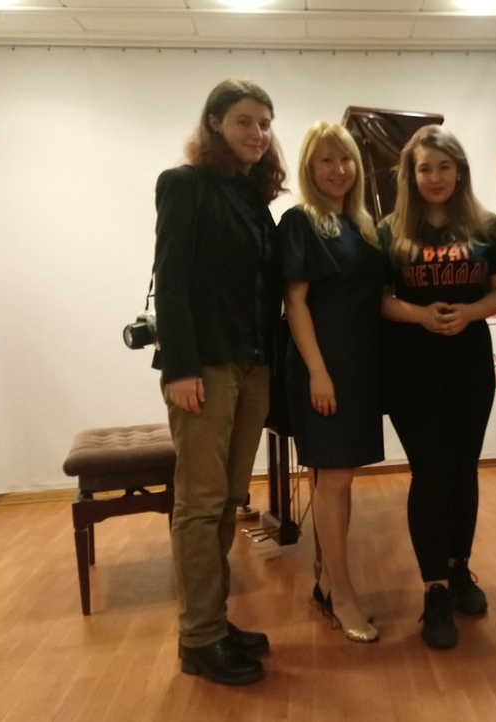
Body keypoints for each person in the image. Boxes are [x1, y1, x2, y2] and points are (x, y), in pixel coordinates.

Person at [152, 79, 286, 686]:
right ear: (214, 123)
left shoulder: (252, 198)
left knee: (229, 499)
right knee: (200, 504)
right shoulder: (185, 185)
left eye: (264, 123)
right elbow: (172, 280)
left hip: (252, 365)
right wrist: (179, 367)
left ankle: (214, 620)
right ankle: (199, 638)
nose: (257, 133)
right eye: (244, 122)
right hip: (204, 368)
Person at [379, 125, 496, 649]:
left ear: (460, 171)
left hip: (469, 363)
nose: (434, 177)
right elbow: (380, 300)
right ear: (411, 176)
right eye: (424, 168)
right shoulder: (389, 231)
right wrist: (420, 315)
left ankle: (459, 570)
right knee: (432, 471)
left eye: (443, 167)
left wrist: (471, 312)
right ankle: (433, 588)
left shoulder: (487, 227)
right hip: (410, 367)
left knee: (463, 468)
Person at [279, 121, 384, 644]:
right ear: (309, 168)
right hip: (325, 368)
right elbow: (295, 303)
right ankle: (341, 592)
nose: (338, 169)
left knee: (338, 480)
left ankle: (327, 582)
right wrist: (318, 372)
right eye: (326, 160)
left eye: (345, 159)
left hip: (361, 368)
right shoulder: (300, 221)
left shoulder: (364, 226)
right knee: (335, 479)